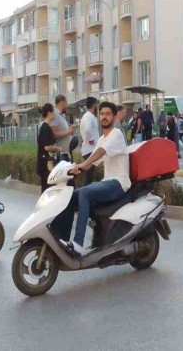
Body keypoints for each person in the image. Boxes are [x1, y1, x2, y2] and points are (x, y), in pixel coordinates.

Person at [61, 102, 130, 256]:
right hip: (108, 181)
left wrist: (85, 163)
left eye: (108, 114)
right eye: (102, 114)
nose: (104, 117)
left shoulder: (116, 134)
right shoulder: (101, 138)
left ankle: (78, 244)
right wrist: (74, 167)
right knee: (72, 195)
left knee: (85, 193)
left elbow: (100, 152)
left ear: (114, 116)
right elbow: (92, 161)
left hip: (119, 182)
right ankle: (61, 238)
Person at [37, 103, 62, 193]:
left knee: (46, 187)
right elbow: (46, 147)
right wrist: (57, 148)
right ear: (49, 113)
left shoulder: (44, 126)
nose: (55, 114)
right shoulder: (45, 127)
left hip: (45, 162)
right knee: (47, 188)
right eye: (53, 112)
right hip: (45, 163)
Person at [49, 95, 76, 163]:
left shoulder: (60, 115)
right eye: (66, 104)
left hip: (64, 153)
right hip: (59, 155)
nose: (67, 107)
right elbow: (53, 133)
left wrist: (69, 130)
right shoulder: (55, 115)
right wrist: (68, 132)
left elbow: (62, 131)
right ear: (62, 103)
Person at [80, 97, 99, 185]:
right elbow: (87, 129)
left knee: (89, 176)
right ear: (94, 105)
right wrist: (91, 139)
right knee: (89, 177)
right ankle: (85, 195)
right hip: (90, 149)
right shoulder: (89, 116)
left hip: (89, 149)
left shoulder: (86, 116)